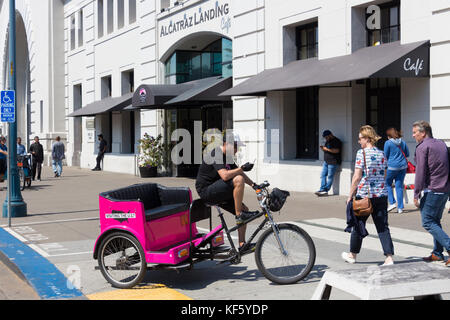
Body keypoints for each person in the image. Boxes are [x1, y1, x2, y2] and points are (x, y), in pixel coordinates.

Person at [195, 133, 258, 252]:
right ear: (226, 144)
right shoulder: (216, 153)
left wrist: (254, 185)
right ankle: (239, 214)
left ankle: (242, 244)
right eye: (235, 147)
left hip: (219, 190)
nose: (237, 150)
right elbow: (224, 175)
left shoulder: (227, 156)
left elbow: (239, 172)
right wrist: (241, 168)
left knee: (245, 209)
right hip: (207, 191)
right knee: (238, 181)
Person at [342, 125, 394, 266]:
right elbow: (384, 174)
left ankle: (352, 255)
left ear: (367, 138)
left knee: (358, 225)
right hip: (381, 195)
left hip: (364, 195)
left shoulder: (362, 153)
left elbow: (357, 176)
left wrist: (350, 195)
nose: (359, 142)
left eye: (360, 139)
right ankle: (389, 257)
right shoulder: (382, 153)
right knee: (383, 226)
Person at [412, 121, 450, 266]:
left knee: (427, 222)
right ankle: (437, 253)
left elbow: (420, 172)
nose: (413, 135)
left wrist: (416, 193)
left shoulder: (423, 147)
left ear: (423, 132)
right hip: (444, 189)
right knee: (435, 221)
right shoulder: (441, 143)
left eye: (415, 132)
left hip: (432, 189)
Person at [384, 127, 410, 214]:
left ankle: (392, 203)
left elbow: (385, 156)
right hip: (403, 167)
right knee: (399, 186)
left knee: (387, 184)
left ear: (389, 136)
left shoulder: (387, 143)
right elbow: (407, 154)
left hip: (391, 167)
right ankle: (400, 208)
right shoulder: (403, 142)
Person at [315, 130, 342, 197]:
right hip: (326, 161)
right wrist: (323, 148)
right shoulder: (328, 141)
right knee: (323, 175)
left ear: (330, 135)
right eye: (325, 137)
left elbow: (337, 150)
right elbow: (327, 150)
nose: (326, 139)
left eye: (326, 137)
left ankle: (325, 191)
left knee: (330, 177)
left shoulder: (337, 141)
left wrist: (326, 149)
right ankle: (322, 189)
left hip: (333, 161)